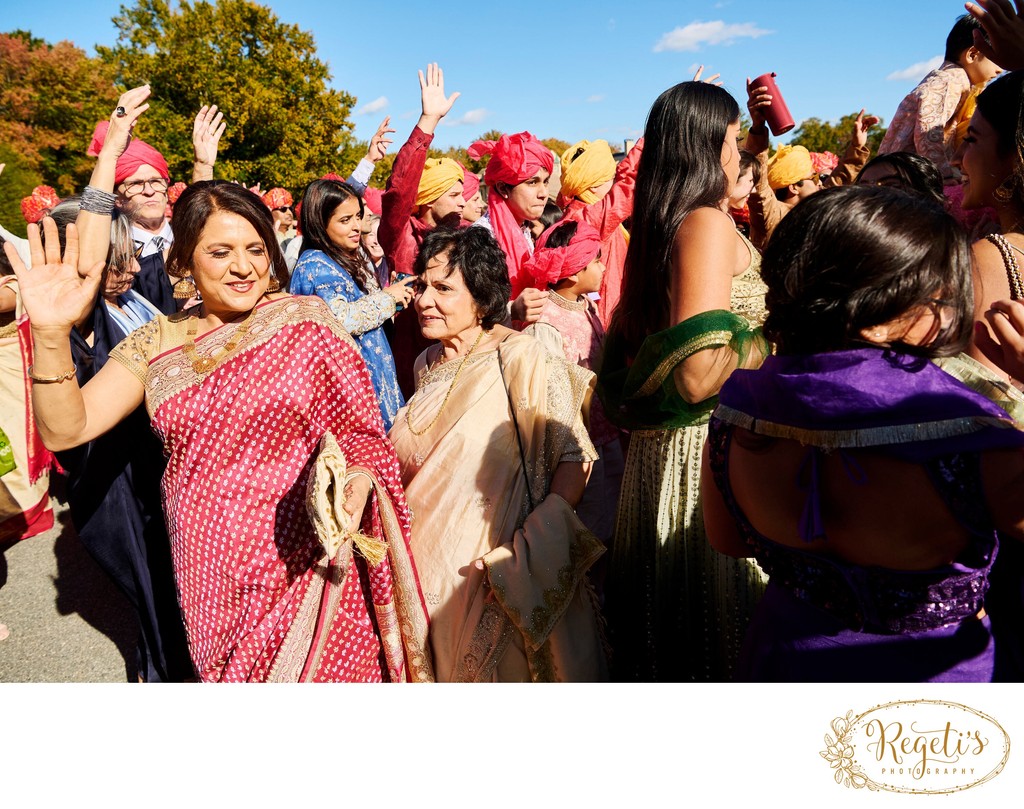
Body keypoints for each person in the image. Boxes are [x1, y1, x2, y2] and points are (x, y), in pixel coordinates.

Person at [7, 93, 430, 682]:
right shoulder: (155, 343)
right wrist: (51, 334)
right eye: (221, 251)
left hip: (308, 556)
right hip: (211, 570)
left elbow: (361, 435)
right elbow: (66, 426)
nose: (244, 266)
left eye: (257, 249)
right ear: (184, 261)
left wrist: (357, 484)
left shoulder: (303, 320)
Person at [703, 184, 1024, 682]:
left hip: (787, 658)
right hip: (926, 701)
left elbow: (728, 540)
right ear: (886, 310)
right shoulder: (973, 435)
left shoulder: (740, 408)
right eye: (939, 296)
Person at [597, 81, 770, 682]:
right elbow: (698, 374)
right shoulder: (703, 224)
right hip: (704, 451)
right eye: (732, 139)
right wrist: (778, 341)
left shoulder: (673, 222)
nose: (740, 150)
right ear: (706, 148)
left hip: (678, 450)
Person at [388, 226, 607, 682]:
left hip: (500, 573)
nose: (424, 300)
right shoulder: (426, 363)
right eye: (422, 286)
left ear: (483, 299)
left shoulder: (521, 356)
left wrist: (529, 548)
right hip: (427, 568)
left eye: (444, 288)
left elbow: (574, 457)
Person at [521, 220, 623, 563]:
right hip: (575, 447)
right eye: (595, 260)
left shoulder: (587, 306)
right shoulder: (545, 322)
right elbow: (548, 396)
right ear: (574, 271)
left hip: (604, 433)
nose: (603, 265)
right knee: (587, 525)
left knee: (611, 517)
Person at [290, 178, 414, 429]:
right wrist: (388, 298)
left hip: (371, 377)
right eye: (345, 220)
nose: (358, 226)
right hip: (350, 390)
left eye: (358, 216)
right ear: (319, 223)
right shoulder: (315, 264)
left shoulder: (344, 258)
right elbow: (341, 319)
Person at [744, 80, 876, 249]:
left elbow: (838, 181)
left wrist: (857, 146)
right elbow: (759, 182)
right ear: (793, 187)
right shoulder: (773, 215)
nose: (820, 182)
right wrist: (757, 127)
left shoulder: (815, 209)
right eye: (813, 177)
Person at [880, 14, 1003, 184]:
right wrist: (943, 175)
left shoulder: (946, 79)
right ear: (973, 54)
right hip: (906, 174)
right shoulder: (951, 81)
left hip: (895, 169)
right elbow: (928, 130)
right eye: (996, 58)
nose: (1000, 70)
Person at [557, 137, 643, 326]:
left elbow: (624, 180)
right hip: (605, 316)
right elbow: (627, 188)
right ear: (595, 185)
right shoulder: (585, 219)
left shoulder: (580, 211)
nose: (614, 183)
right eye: (610, 178)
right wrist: (650, 139)